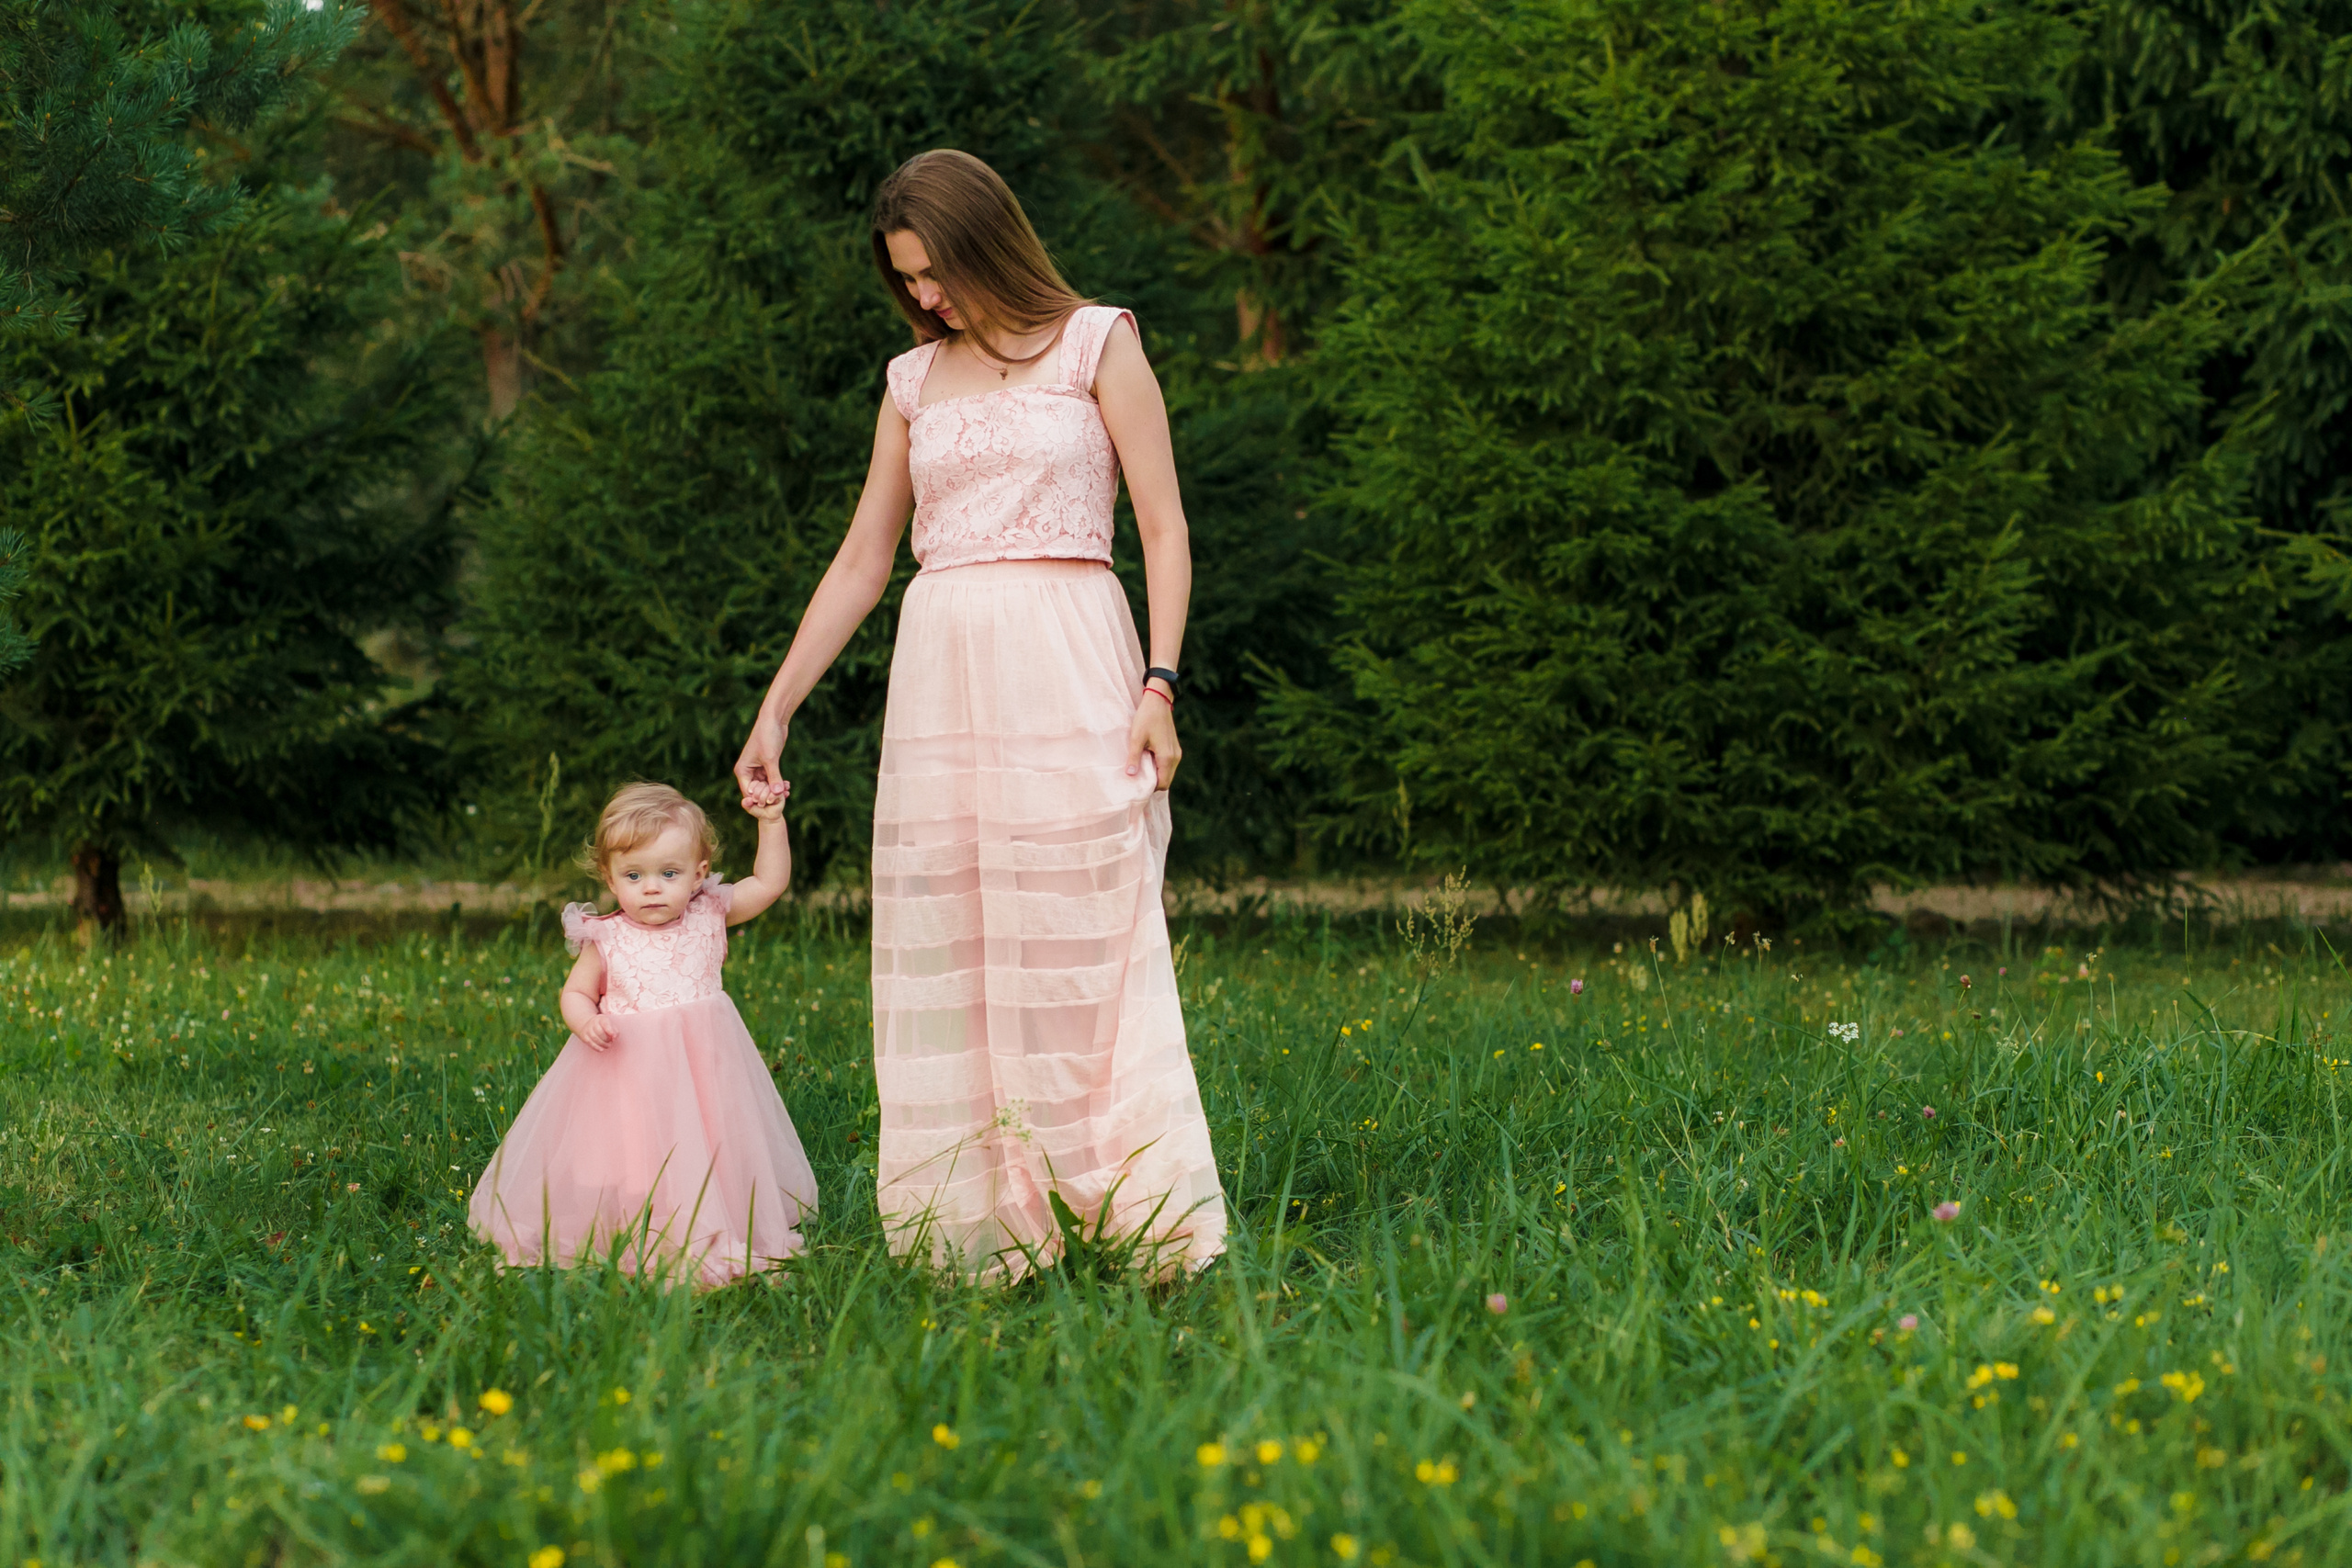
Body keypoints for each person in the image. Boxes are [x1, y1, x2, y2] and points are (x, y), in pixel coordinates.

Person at [732, 148, 1226, 1280]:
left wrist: (1161, 685)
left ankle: (1130, 1210)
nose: (922, 297)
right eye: (904, 279)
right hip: (942, 670)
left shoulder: (1100, 342)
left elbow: (1164, 526)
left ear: (984, 241)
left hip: (1072, 654)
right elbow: (864, 559)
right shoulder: (912, 382)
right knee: (964, 934)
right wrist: (778, 710)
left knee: (1086, 932)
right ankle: (989, 1228)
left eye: (933, 272)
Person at [469, 781, 818, 1288]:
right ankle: (639, 1226)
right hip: (631, 1073)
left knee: (712, 1141)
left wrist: (770, 823)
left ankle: (714, 1220)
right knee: (634, 1153)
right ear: (611, 880)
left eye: (668, 873)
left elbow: (768, 883)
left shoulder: (709, 914)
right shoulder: (606, 936)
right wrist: (586, 1021)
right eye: (634, 875)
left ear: (699, 875)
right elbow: (575, 994)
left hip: (704, 1069)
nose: (651, 887)